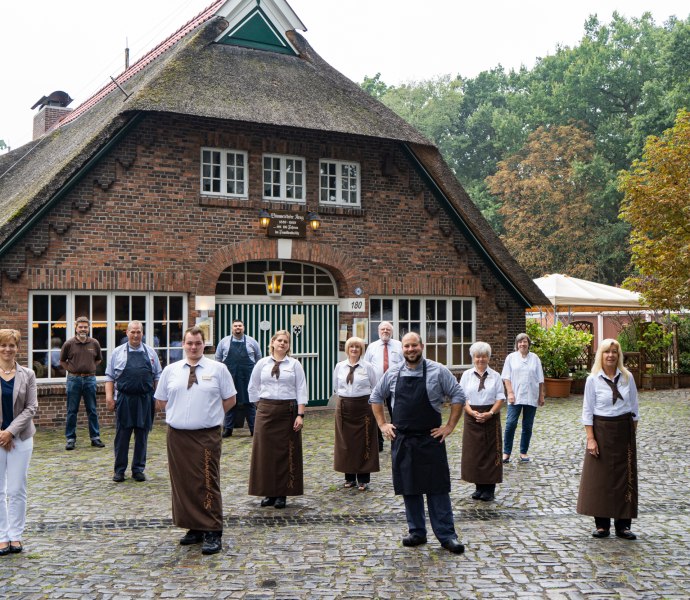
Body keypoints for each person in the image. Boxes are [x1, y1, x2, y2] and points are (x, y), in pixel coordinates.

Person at [370, 332, 466, 554]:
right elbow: (375, 397)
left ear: (422, 346)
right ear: (401, 349)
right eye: (406, 346)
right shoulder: (393, 373)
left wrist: (449, 427)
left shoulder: (438, 370)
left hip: (430, 439)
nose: (410, 349)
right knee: (409, 487)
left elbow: (458, 396)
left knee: (437, 488)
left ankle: (446, 535)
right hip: (403, 439)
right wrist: (383, 424)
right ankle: (417, 532)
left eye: (414, 345)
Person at [154, 326, 236, 555]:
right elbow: (160, 400)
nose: (193, 347)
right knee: (183, 483)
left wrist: (211, 415)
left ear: (204, 344)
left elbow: (230, 399)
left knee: (207, 480)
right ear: (183, 344)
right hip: (178, 436)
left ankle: (212, 530)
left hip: (206, 435)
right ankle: (194, 527)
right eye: (189, 343)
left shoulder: (218, 369)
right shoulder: (171, 371)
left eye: (197, 343)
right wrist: (180, 413)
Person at [576, 339, 639, 540]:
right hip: (601, 430)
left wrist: (631, 435)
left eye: (614, 352)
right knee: (600, 479)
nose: (610, 355)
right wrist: (591, 439)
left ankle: (624, 525)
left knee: (624, 477)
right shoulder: (593, 380)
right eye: (606, 352)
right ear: (600, 355)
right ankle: (602, 524)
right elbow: (587, 411)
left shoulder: (627, 378)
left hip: (623, 431)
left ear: (619, 355)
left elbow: (634, 409)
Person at [248, 330, 307, 510]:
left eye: (286, 341)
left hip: (287, 412)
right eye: (279, 340)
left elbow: (301, 389)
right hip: (265, 411)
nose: (282, 344)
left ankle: (282, 494)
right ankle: (269, 493)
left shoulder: (295, 364)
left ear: (289, 345)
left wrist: (300, 414)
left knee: (285, 453)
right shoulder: (262, 364)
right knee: (265, 454)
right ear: (272, 342)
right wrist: (262, 407)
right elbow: (253, 387)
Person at [105, 321, 162, 483]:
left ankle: (138, 469)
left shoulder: (151, 353)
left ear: (142, 333)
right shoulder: (117, 353)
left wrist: (157, 398)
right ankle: (119, 470)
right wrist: (109, 398)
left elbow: (157, 376)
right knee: (122, 436)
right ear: (127, 333)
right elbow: (109, 377)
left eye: (139, 332)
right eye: (133, 332)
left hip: (145, 399)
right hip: (124, 399)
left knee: (142, 436)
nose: (136, 335)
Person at [0, 329, 38, 555]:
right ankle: (2, 535)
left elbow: (31, 407)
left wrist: (10, 432)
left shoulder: (28, 374)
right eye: (3, 345)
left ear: (18, 348)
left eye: (11, 345)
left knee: (16, 489)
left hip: (21, 438)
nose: (7, 349)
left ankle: (15, 535)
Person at [458, 342, 505, 502]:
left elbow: (500, 398)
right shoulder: (466, 375)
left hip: (491, 417)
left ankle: (489, 489)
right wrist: (471, 412)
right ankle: (479, 487)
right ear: (473, 358)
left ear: (488, 358)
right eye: (477, 356)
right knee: (474, 453)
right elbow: (462, 398)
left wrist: (490, 413)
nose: (480, 359)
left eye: (484, 356)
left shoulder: (496, 376)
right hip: (472, 417)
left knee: (490, 453)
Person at [333, 336, 380, 491]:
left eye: (357, 347)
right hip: (344, 407)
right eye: (351, 347)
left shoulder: (368, 367)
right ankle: (349, 477)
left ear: (361, 350)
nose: (354, 349)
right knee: (346, 443)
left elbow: (375, 387)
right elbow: (336, 387)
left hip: (363, 408)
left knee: (364, 441)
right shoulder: (340, 366)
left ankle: (363, 479)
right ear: (347, 349)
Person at [60, 316, 105, 450]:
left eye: (85, 327)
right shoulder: (69, 344)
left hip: (90, 379)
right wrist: (73, 370)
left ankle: (95, 438)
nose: (83, 329)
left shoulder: (94, 343)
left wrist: (88, 368)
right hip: (74, 380)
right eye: (81, 327)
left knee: (92, 409)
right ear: (76, 327)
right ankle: (70, 439)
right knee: (72, 410)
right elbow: (62, 361)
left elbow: (98, 360)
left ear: (89, 328)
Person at [501, 333, 545, 463]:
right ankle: (506, 452)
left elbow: (540, 379)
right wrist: (510, 393)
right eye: (520, 342)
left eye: (525, 341)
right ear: (516, 344)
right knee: (510, 424)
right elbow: (506, 377)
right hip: (516, 396)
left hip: (532, 396)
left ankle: (523, 452)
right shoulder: (511, 358)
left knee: (527, 425)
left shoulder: (535, 358)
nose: (522, 344)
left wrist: (541, 395)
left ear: (528, 343)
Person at [215, 319, 262, 438]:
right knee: (231, 402)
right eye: (235, 326)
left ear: (243, 327)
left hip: (248, 377)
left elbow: (259, 359)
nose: (237, 328)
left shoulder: (252, 342)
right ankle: (228, 429)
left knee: (249, 403)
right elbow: (218, 359)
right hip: (229, 377)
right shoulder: (224, 342)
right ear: (232, 328)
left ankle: (253, 429)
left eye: (240, 326)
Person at [364, 321, 403, 451]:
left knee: (396, 414)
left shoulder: (399, 345)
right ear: (379, 331)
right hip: (377, 386)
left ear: (391, 332)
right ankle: (378, 443)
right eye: (383, 329)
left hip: (395, 386)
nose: (385, 331)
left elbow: (405, 364)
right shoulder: (372, 346)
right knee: (376, 415)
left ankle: (396, 441)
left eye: (388, 329)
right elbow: (366, 366)